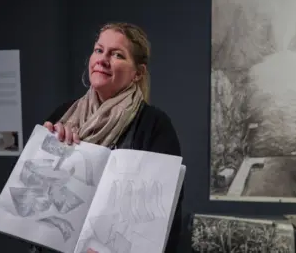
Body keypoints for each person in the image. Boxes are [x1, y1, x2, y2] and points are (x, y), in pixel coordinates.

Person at [30, 22, 184, 253]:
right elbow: (32, 200)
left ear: (138, 73)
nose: (102, 59)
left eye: (117, 55)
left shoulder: (154, 125)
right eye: (99, 50)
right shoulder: (62, 115)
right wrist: (43, 150)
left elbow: (162, 218)